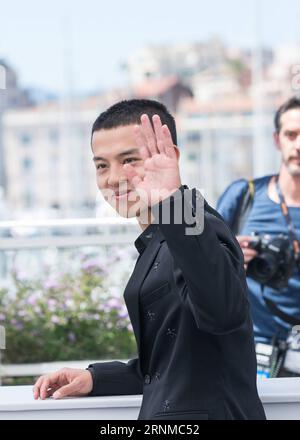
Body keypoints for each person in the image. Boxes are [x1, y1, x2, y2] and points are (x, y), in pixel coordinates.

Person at [33, 99, 265, 420]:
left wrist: (172, 200)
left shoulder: (199, 225)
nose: (113, 177)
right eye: (102, 165)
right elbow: (171, 365)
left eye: (129, 160)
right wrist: (96, 377)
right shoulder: (157, 240)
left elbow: (224, 311)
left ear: (171, 157)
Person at [217, 97, 300, 376]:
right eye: (291, 135)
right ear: (278, 140)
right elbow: (201, 270)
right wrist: (231, 259)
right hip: (252, 354)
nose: (298, 145)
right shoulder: (244, 196)